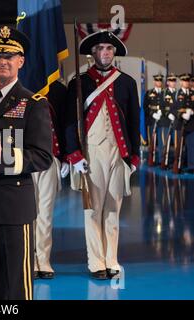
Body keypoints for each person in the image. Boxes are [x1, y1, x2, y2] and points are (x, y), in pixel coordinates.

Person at [0, 25, 53, 300]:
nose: (2, 61)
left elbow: (42, 156)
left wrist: (6, 153)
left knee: (17, 286)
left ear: (21, 61)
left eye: (9, 56)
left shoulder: (33, 103)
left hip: (14, 206)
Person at [65, 30, 140, 280]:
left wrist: (134, 157)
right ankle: (95, 261)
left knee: (113, 210)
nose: (104, 53)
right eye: (99, 49)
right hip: (91, 152)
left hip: (118, 153)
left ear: (114, 52)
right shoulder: (80, 81)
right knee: (92, 210)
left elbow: (133, 122)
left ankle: (111, 258)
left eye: (108, 48)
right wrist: (74, 154)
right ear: (92, 53)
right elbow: (69, 122)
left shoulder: (127, 82)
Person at [32, 79, 69, 280]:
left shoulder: (58, 89)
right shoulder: (19, 85)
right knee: (26, 213)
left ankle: (43, 260)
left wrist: (65, 156)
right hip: (24, 158)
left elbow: (65, 123)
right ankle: (28, 258)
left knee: (45, 214)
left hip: (50, 157)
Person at [143, 74, 165, 164]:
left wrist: (161, 112)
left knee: (161, 141)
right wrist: (153, 114)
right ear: (154, 81)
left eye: (160, 80)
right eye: (157, 80)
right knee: (152, 140)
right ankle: (151, 159)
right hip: (152, 120)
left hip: (162, 120)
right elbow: (145, 107)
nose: (158, 82)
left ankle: (161, 160)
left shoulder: (165, 93)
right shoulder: (149, 93)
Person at [175, 73, 194, 172]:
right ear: (181, 82)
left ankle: (191, 166)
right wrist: (182, 114)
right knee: (180, 146)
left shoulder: (192, 93)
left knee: (191, 145)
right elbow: (175, 107)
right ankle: (178, 165)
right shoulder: (178, 93)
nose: (186, 82)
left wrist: (191, 111)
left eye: (188, 81)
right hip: (180, 123)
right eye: (185, 81)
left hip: (191, 123)